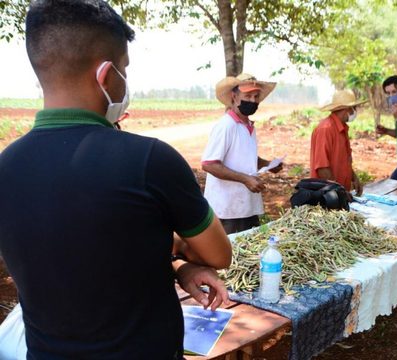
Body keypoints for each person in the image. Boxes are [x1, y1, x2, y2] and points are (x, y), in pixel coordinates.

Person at [0, 1, 232, 358]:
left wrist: (175, 266)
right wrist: (180, 248)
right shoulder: (151, 160)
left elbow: (79, 249)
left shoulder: (7, 167)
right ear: (106, 74)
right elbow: (218, 253)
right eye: (124, 69)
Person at [202, 73, 282, 234]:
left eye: (256, 96)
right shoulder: (226, 126)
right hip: (228, 210)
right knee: (232, 254)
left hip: (246, 205)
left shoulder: (247, 126)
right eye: (248, 95)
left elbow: (244, 156)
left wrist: (267, 164)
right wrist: (245, 179)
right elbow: (209, 164)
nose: (252, 101)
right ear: (234, 96)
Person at [310, 89, 366, 194]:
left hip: (339, 194)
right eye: (354, 108)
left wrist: (354, 178)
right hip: (326, 195)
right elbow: (322, 168)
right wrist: (339, 192)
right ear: (347, 109)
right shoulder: (325, 129)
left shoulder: (342, 128)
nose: (355, 111)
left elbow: (343, 161)